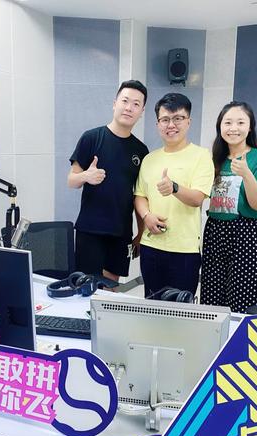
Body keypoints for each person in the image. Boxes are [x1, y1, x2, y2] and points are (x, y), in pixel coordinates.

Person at [133, 93, 214, 298]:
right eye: (165, 119)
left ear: (188, 121)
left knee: (181, 308)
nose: (171, 125)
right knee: (151, 305)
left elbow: (197, 198)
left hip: (184, 250)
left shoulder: (201, 156)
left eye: (178, 118)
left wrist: (174, 188)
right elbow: (140, 195)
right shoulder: (149, 159)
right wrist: (146, 216)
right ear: (158, 124)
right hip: (151, 246)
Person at [67, 80, 149, 282]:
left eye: (136, 104)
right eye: (125, 101)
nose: (129, 108)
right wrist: (86, 176)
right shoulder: (91, 138)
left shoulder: (141, 150)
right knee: (86, 289)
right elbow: (71, 181)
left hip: (121, 232)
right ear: (115, 103)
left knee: (111, 289)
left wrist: (140, 233)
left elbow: (139, 195)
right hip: (90, 229)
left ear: (141, 111)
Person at [200, 100, 257, 313]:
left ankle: (239, 336)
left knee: (243, 300)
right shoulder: (215, 159)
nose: (233, 128)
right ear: (220, 127)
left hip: (246, 234)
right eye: (228, 122)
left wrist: (246, 174)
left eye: (240, 122)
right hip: (215, 231)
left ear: (250, 127)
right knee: (211, 299)